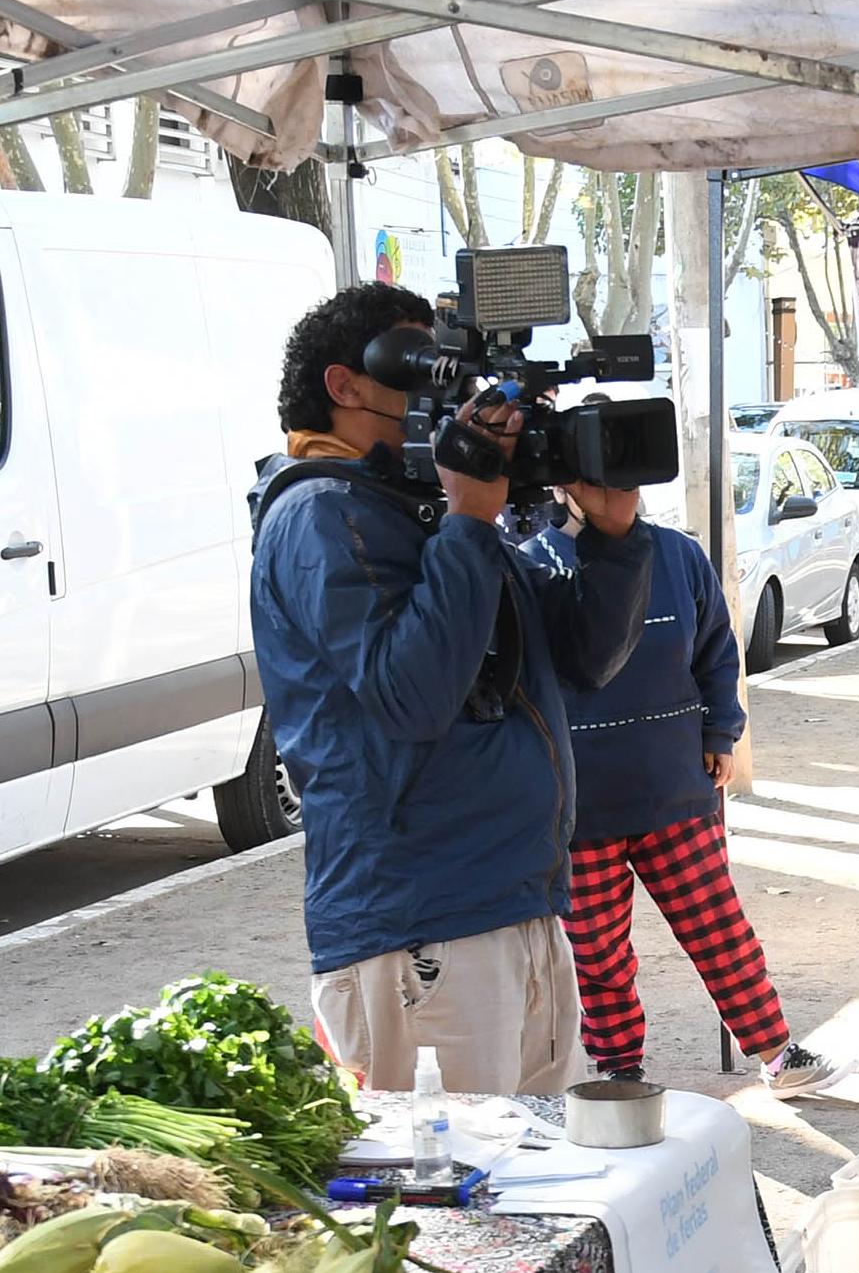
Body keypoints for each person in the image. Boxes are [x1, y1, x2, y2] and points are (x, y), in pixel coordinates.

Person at [247, 282, 652, 1094]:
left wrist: (613, 537)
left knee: (538, 1192)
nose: (448, 394)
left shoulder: (428, 508)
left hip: (517, 905)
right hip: (420, 926)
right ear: (345, 385)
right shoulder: (320, 515)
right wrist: (469, 524)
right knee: (451, 1202)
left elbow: (585, 660)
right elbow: (411, 696)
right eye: (421, 366)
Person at [523, 509, 847, 1094]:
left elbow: (718, 649)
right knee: (595, 951)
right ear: (563, 484)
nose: (614, 494)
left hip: (676, 785)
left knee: (718, 928)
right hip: (578, 805)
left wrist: (722, 731)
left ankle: (779, 1056)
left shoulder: (679, 554)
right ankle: (618, 1069)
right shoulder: (533, 563)